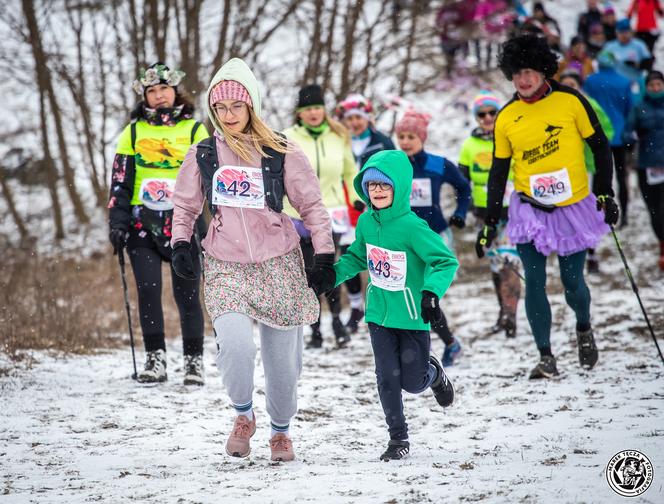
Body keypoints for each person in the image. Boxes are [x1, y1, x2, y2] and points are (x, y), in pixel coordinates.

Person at [170, 58, 334, 462]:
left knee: (283, 365)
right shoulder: (203, 153)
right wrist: (179, 244)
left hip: (278, 261)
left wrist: (325, 253)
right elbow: (185, 206)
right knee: (237, 347)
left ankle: (281, 431)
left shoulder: (280, 150)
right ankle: (243, 416)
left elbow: (312, 205)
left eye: (236, 107)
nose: (228, 116)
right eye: (220, 108)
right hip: (226, 263)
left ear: (251, 107)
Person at [475, 34, 619, 379]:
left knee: (573, 284)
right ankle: (546, 356)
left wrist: (604, 193)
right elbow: (498, 171)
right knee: (535, 282)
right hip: (529, 208)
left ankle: (583, 328)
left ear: (543, 70)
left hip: (572, 206)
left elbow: (600, 147)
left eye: (530, 71)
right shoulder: (507, 117)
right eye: (516, 73)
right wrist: (491, 221)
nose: (523, 79)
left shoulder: (571, 102)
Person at [334, 150, 459, 461]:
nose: (376, 190)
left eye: (384, 185)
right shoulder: (365, 222)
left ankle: (433, 372)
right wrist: (329, 277)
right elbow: (357, 257)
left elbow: (445, 261)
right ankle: (398, 438)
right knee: (386, 377)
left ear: (399, 188)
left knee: (413, 383)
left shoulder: (412, 227)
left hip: (412, 315)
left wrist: (430, 292)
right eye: (371, 185)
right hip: (378, 314)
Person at [108, 62, 208, 385]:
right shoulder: (133, 132)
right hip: (142, 224)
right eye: (152, 91)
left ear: (175, 91)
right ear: (145, 97)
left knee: (188, 294)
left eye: (164, 89)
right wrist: (117, 223)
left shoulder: (195, 130)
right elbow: (120, 182)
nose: (159, 95)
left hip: (185, 224)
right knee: (149, 290)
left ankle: (194, 361)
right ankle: (155, 359)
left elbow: (211, 180)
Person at [284, 85, 360, 349]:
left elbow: (350, 173)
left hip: (331, 213)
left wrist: (356, 197)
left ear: (324, 110)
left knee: (329, 267)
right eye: (308, 109)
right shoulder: (286, 138)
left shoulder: (338, 136)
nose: (314, 113)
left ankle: (337, 322)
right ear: (299, 114)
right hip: (297, 214)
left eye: (317, 108)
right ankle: (315, 328)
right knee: (308, 271)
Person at [395, 110, 471, 366]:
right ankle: (448, 343)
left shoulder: (438, 164)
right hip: (404, 238)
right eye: (401, 136)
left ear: (422, 138)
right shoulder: (394, 164)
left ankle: (445, 344)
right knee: (412, 293)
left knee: (426, 293)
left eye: (411, 136)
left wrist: (460, 212)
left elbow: (463, 186)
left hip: (434, 235)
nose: (405, 141)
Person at [458, 91, 521, 338]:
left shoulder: (509, 138)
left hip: (511, 211)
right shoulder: (469, 145)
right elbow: (462, 181)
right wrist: (467, 206)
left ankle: (511, 317)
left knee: (510, 263)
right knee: (496, 266)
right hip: (484, 214)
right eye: (482, 114)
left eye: (492, 112)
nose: (487, 117)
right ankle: (502, 313)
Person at [334, 93, 396, 333]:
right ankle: (357, 306)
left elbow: (395, 168)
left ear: (367, 118)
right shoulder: (340, 141)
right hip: (348, 205)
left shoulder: (382, 141)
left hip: (377, 205)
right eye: (350, 119)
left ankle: (383, 303)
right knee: (349, 253)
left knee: (379, 253)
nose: (355, 123)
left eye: (359, 118)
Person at [559, 69, 615, 273]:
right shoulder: (557, 109)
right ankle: (573, 247)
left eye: (572, 85)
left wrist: (586, 139)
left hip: (590, 166)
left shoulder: (589, 105)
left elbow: (606, 131)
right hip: (568, 168)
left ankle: (591, 251)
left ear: (579, 86)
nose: (569, 89)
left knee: (590, 209)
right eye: (565, 86)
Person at [584, 50, 634, 227]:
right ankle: (624, 215)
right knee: (621, 177)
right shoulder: (624, 82)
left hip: (596, 137)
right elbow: (630, 110)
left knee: (599, 179)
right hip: (619, 136)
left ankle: (596, 216)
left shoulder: (590, 81)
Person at [624, 70, 664, 270]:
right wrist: (632, 137)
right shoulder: (639, 108)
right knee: (654, 209)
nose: (656, 89)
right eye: (652, 86)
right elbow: (627, 133)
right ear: (646, 88)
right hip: (647, 166)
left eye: (659, 85)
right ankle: (661, 244)